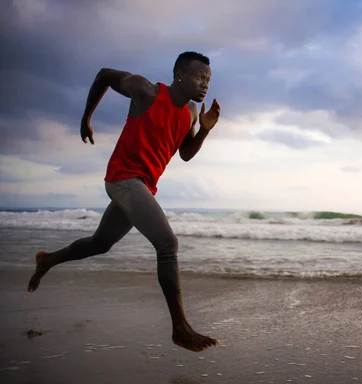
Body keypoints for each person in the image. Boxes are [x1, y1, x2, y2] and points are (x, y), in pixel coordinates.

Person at [27, 51, 221, 352]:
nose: (205, 84)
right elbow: (104, 73)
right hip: (122, 177)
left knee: (100, 243)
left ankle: (47, 260)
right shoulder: (146, 91)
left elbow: (185, 153)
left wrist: (205, 130)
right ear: (179, 75)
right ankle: (180, 328)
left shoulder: (192, 113)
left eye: (208, 79)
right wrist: (86, 118)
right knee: (167, 244)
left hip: (143, 186)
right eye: (199, 77)